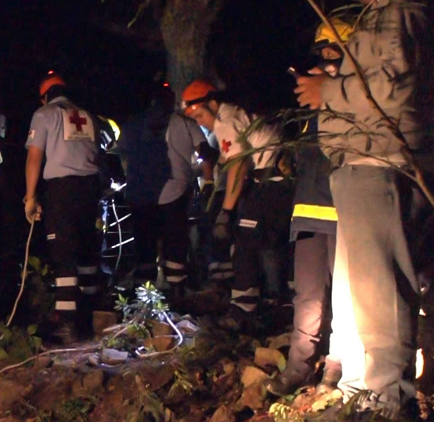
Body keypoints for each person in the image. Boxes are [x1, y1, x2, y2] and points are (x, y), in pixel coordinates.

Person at [295, 0, 434, 414]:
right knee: (362, 296)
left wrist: (328, 91)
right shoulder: (381, 15)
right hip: (359, 168)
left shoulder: (405, 11)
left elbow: (394, 91)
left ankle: (391, 401)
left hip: (383, 165)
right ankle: (365, 391)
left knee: (383, 296)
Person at [265, 19, 354, 397]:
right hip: (308, 212)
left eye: (332, 54)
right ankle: (300, 365)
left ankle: (339, 363)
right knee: (307, 294)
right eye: (320, 55)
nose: (322, 63)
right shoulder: (310, 111)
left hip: (346, 212)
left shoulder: (355, 99)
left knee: (347, 296)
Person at [182, 80, 293, 331]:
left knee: (245, 242)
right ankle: (274, 302)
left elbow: (237, 165)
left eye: (200, 114)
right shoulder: (238, 112)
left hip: (271, 181)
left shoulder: (226, 118)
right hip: (275, 180)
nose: (200, 122)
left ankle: (243, 311)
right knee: (267, 242)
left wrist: (226, 211)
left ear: (212, 104)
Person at [24, 71, 104, 343]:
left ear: (45, 95)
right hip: (90, 187)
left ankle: (67, 323)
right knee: (88, 249)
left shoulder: (44, 114)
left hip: (62, 189)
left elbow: (34, 158)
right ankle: (93, 315)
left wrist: (30, 197)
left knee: (64, 251)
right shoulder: (89, 116)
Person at [118, 82, 216, 296]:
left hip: (140, 193)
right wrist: (208, 181)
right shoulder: (185, 123)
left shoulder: (132, 124)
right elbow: (205, 152)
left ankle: (142, 296)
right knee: (175, 242)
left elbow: (123, 156)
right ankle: (177, 293)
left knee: (145, 246)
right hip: (175, 190)